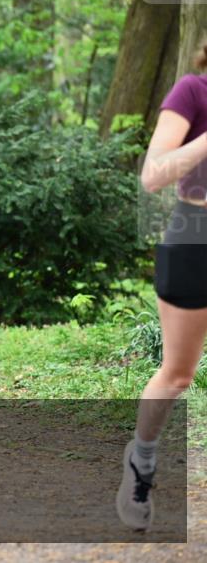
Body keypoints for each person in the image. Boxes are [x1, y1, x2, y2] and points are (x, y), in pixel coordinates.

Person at [117, 46, 207, 531]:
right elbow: (153, 175)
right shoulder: (192, 90)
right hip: (196, 234)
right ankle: (142, 464)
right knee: (177, 375)